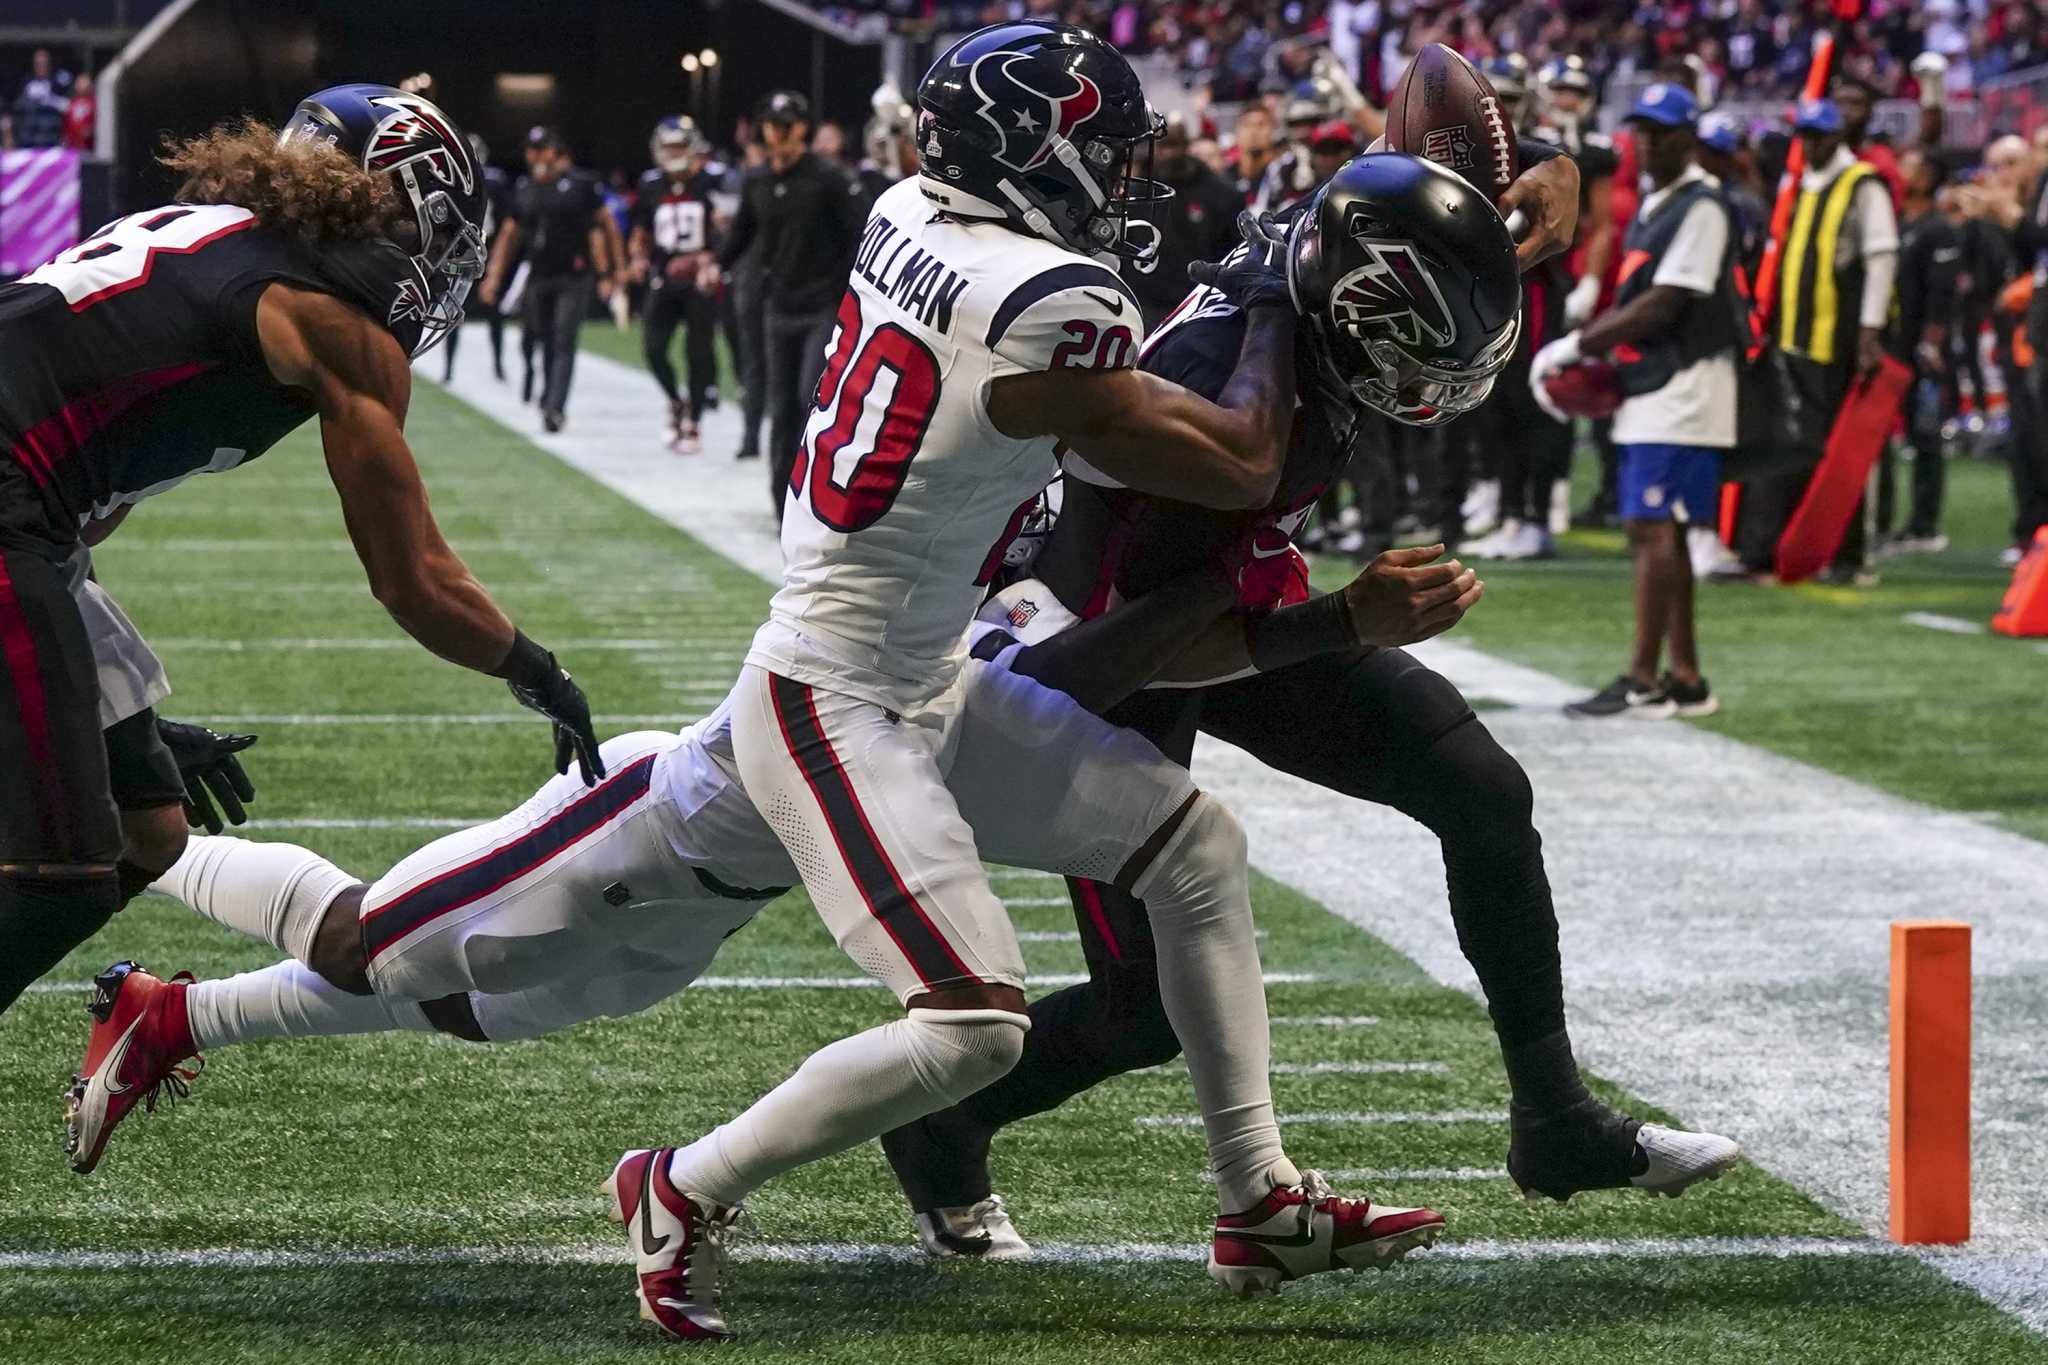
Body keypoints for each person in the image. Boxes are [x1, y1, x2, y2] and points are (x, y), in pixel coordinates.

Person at [639, 20, 1466, 1339]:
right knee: (973, 1024)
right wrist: (1266, 278)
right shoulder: (1049, 305)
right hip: (839, 692)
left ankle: (1258, 1201)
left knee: (1196, 847)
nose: (1122, 179)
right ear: (1030, 154)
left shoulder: (911, 203)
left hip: (935, 667)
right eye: (1098, 152)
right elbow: (1245, 466)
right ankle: (679, 1183)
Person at [881, 152, 1736, 1258]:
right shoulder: (1218, 392)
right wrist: (1343, 622)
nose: (1434, 380)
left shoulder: (1318, 271)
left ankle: (1554, 1120)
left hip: (1220, 587)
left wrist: (1534, 176)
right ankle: (939, 1127)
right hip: (1095, 650)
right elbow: (1135, 654)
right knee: (1141, 1010)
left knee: (1477, 786)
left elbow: (1394, 162)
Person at [0, 85, 602, 1020]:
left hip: (31, 506)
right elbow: (413, 580)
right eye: (432, 229)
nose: (433, 261)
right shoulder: (327, 318)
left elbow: (80, 516)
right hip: (10, 495)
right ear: (393, 202)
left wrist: (131, 724)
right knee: (64, 873)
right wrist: (538, 670)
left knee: (148, 824)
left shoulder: (212, 233)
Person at [1535, 83, 1740, 720]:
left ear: (1689, 137)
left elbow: (1666, 301)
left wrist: (1577, 344)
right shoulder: (1662, 201)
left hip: (1686, 384)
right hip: (1658, 384)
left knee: (1651, 528)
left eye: (1662, 131)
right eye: (1642, 130)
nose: (1647, 141)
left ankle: (1643, 677)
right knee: (1662, 532)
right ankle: (1685, 676)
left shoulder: (1702, 204)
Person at [1733, 97, 1899, 584]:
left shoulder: (1861, 184)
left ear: (1837, 138)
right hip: (1790, 338)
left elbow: (1881, 257)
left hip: (1836, 341)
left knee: (1838, 455)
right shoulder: (1802, 183)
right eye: (1802, 136)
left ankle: (1847, 556)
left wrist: (1870, 332)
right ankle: (1779, 550)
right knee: (1786, 447)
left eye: (1817, 137)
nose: (1807, 146)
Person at [706, 91, 865, 517]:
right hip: (778, 307)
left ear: (802, 128)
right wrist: (713, 264)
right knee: (782, 406)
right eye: (772, 124)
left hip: (823, 306)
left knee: (809, 395)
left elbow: (859, 235)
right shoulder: (757, 180)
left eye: (788, 123)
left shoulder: (829, 178)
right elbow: (742, 234)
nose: (779, 132)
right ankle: (783, 503)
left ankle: (820, 495)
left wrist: (855, 296)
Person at [479, 127, 626, 432]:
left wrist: (615, 270)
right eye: (532, 150)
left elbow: (606, 226)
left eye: (542, 148)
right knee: (539, 337)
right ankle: (546, 394)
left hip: (574, 274)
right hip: (538, 275)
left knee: (562, 340)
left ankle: (554, 407)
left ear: (555, 151)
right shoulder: (526, 188)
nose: (536, 155)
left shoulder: (580, 185)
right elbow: (509, 236)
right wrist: (494, 276)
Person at [1881, 148, 1963, 555]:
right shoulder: (1898, 223)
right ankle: (1883, 522)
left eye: (1909, 165)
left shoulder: (1938, 229)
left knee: (1925, 434)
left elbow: (1942, 293)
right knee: (1882, 436)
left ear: (1928, 177)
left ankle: (1924, 524)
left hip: (1922, 350)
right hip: (1891, 345)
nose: (1900, 170)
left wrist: (1932, 343)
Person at [631, 115, 722, 453]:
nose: (674, 152)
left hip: (700, 278)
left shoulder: (712, 183)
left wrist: (709, 260)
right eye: (669, 146)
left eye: (680, 146)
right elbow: (640, 232)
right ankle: (674, 400)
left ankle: (694, 421)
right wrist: (638, 258)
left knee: (698, 352)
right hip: (665, 275)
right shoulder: (651, 184)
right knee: (653, 348)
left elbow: (726, 228)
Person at [1129, 112, 1241, 329]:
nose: (1170, 153)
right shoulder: (1135, 194)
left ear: (1187, 145)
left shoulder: (1220, 193)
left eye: (1176, 145)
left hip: (1201, 304)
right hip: (1146, 305)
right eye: (1164, 146)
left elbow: (1233, 252)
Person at [440, 133, 514, 384]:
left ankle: (498, 365)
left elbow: (506, 220)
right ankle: (449, 369)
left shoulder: (492, 180)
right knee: (453, 312)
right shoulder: (454, 181)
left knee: (492, 314)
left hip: (486, 250)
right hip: (463, 252)